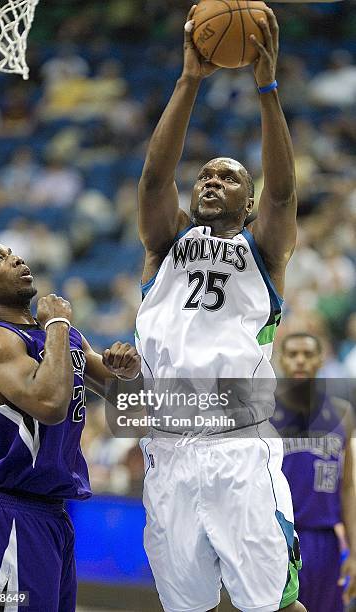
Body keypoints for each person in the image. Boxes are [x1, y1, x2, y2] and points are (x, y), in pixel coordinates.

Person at [135, 5, 305, 612]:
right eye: (206, 174)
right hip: (169, 445)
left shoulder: (264, 251)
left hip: (239, 442)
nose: (212, 180)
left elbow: (285, 191)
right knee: (185, 604)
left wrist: (267, 87)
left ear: (250, 202)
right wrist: (190, 80)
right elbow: (156, 182)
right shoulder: (166, 245)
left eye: (230, 178)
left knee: (272, 604)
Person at [0, 241, 141, 612]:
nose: (15, 258)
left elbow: (129, 398)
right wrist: (59, 321)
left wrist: (126, 370)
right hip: (8, 514)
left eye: (13, 252)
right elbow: (48, 404)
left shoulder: (64, 338)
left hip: (53, 516)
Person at [272, 333, 356, 612]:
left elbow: (348, 487)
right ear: (281, 359)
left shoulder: (342, 413)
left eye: (308, 354)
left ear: (321, 359)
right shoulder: (265, 413)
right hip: (278, 538)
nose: (300, 361)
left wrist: (354, 553)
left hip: (325, 542)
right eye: (293, 354)